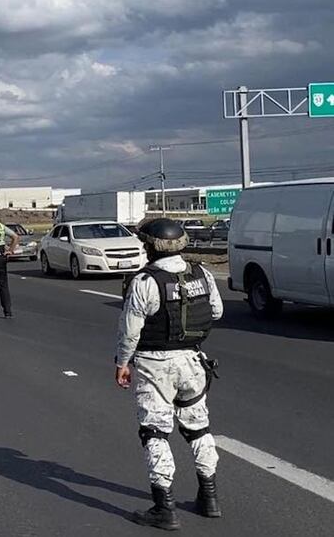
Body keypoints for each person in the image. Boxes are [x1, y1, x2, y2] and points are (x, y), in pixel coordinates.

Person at [115, 218, 224, 530]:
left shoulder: (144, 282)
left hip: (154, 365)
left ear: (151, 246)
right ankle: (210, 498)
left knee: (155, 433)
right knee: (199, 430)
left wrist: (123, 363)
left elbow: (130, 331)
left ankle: (164, 508)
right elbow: (215, 311)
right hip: (193, 362)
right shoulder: (202, 273)